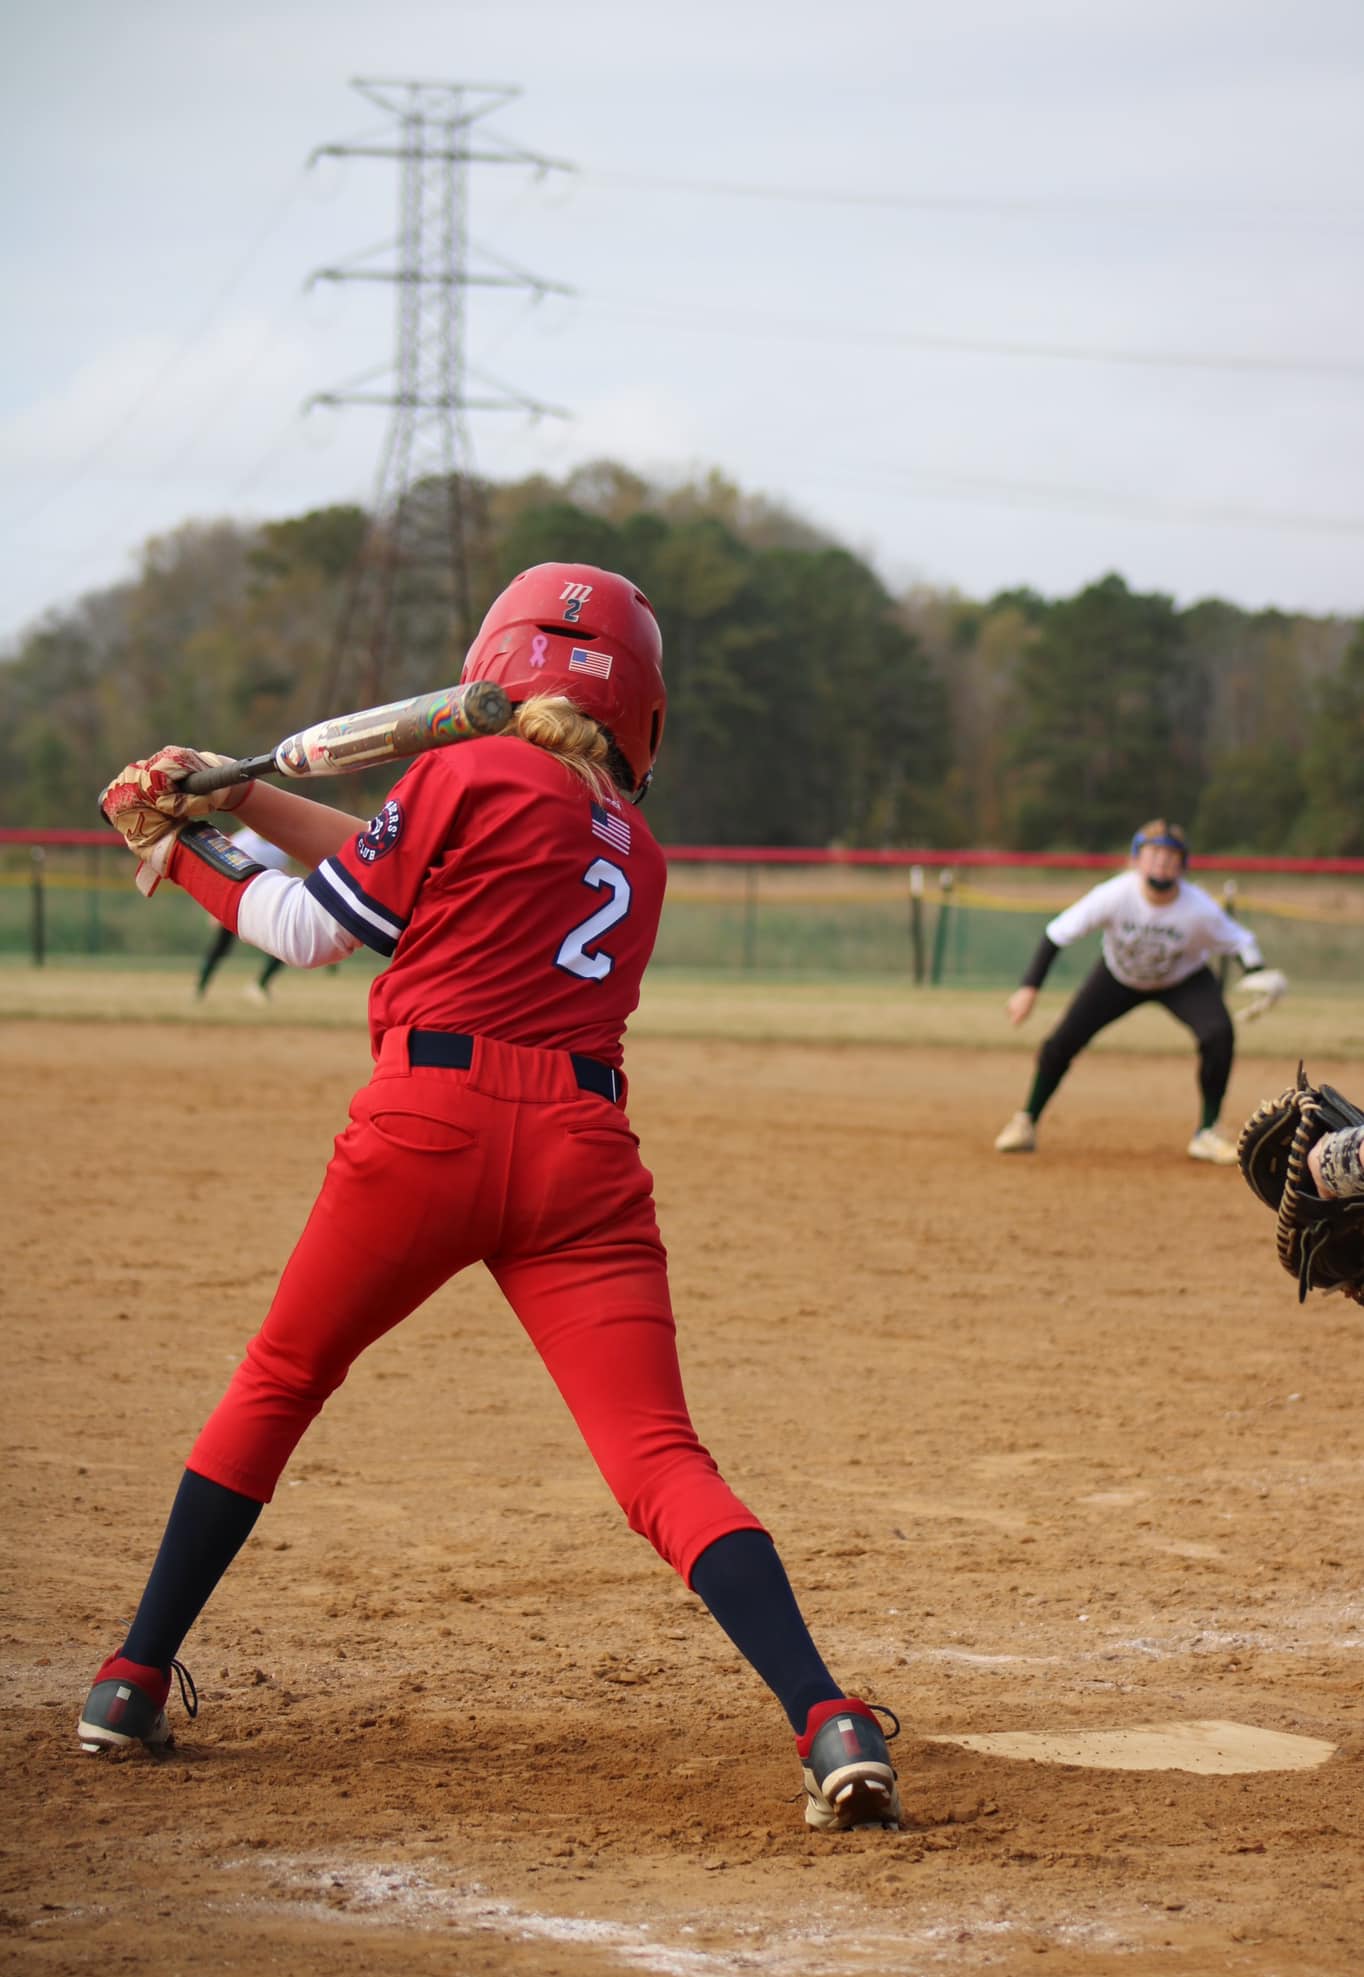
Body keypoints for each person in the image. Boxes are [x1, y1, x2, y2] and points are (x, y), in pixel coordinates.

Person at [79, 562, 901, 1833]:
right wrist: (239, 798)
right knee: (658, 1458)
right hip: (582, 1158)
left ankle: (132, 1676)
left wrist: (175, 853)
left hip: (427, 1131)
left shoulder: (458, 773)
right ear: (642, 714)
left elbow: (318, 928)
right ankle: (826, 1712)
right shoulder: (636, 847)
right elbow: (414, 890)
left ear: (492, 661)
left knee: (280, 1380)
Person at [993, 819, 1286, 1166]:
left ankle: (1207, 1132)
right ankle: (1025, 1121)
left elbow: (1240, 940)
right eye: (1153, 853)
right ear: (1137, 859)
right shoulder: (1115, 894)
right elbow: (1057, 934)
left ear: (1183, 864)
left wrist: (1257, 972)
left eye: (1171, 855)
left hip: (1183, 979)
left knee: (1218, 1033)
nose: (1162, 861)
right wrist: (1029, 988)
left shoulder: (1197, 907)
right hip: (1118, 976)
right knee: (1062, 1041)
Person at [194, 824, 292, 1002]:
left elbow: (284, 876)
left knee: (284, 947)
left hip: (265, 905)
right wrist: (215, 906)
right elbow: (220, 872)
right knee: (220, 947)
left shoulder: (279, 846)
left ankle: (260, 985)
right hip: (235, 903)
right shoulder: (242, 840)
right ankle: (200, 988)